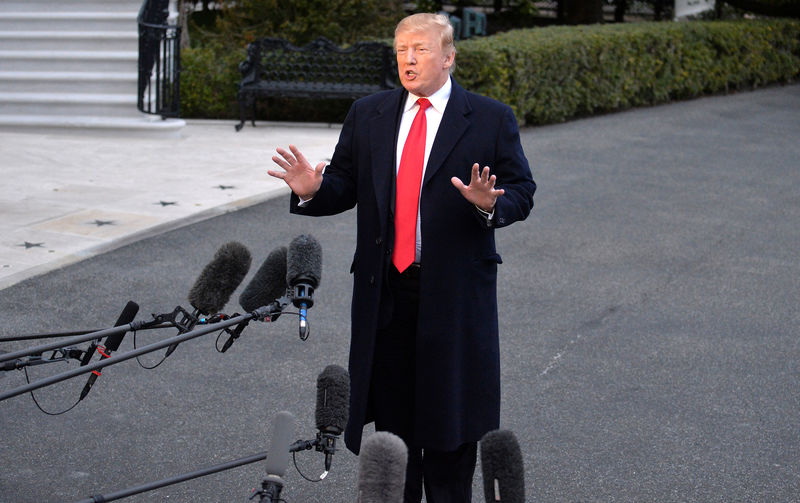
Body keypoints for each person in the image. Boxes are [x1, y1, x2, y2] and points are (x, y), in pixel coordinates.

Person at [268, 13, 536, 503]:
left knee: (451, 429)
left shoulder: (489, 118)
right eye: (400, 50)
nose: (408, 59)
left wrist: (491, 203)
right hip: (385, 295)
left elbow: (523, 190)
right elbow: (345, 184)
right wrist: (313, 190)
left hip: (453, 299)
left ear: (450, 56)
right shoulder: (369, 113)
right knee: (393, 436)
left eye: (421, 49)